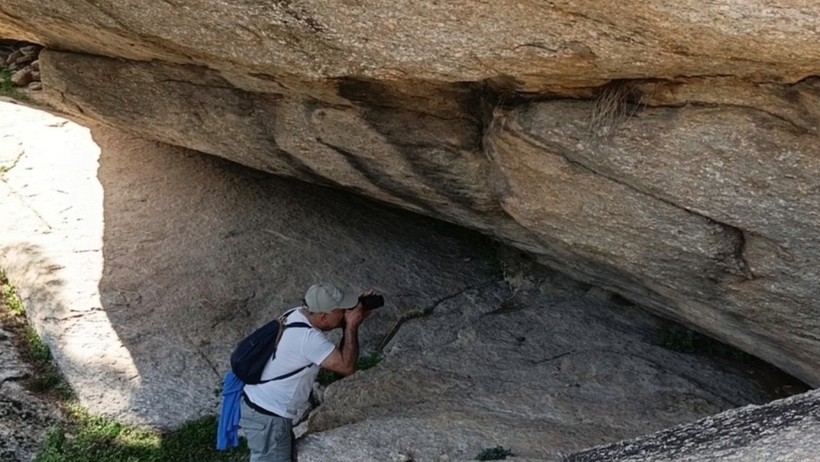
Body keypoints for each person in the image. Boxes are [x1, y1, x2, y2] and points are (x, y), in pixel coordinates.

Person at [239, 282, 375, 462]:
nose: (346, 313)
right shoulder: (308, 339)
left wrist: (351, 311)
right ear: (324, 317)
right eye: (342, 310)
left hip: (260, 409)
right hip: (269, 417)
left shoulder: (297, 313)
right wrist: (351, 326)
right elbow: (346, 367)